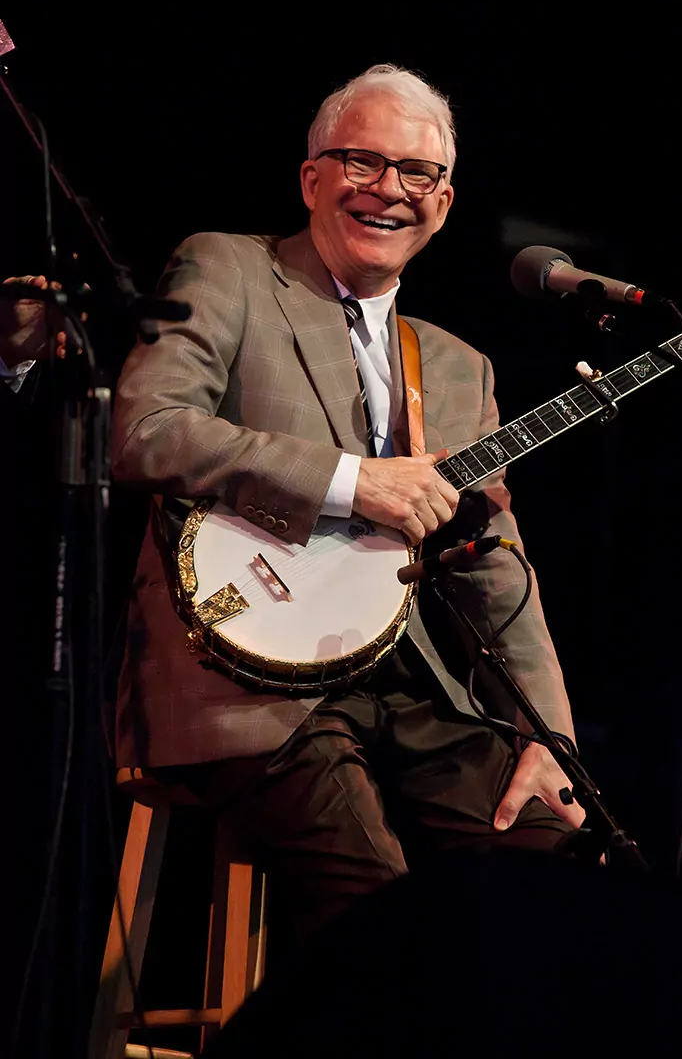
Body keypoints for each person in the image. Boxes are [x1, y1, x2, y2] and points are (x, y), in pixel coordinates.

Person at [110, 64, 584, 958]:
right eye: (363, 162)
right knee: (378, 919)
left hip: (415, 692)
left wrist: (546, 734)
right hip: (238, 680)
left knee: (555, 881)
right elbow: (144, 429)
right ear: (312, 178)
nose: (389, 192)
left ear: (443, 201)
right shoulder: (231, 268)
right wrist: (349, 481)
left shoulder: (454, 364)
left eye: (416, 174)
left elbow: (496, 561)